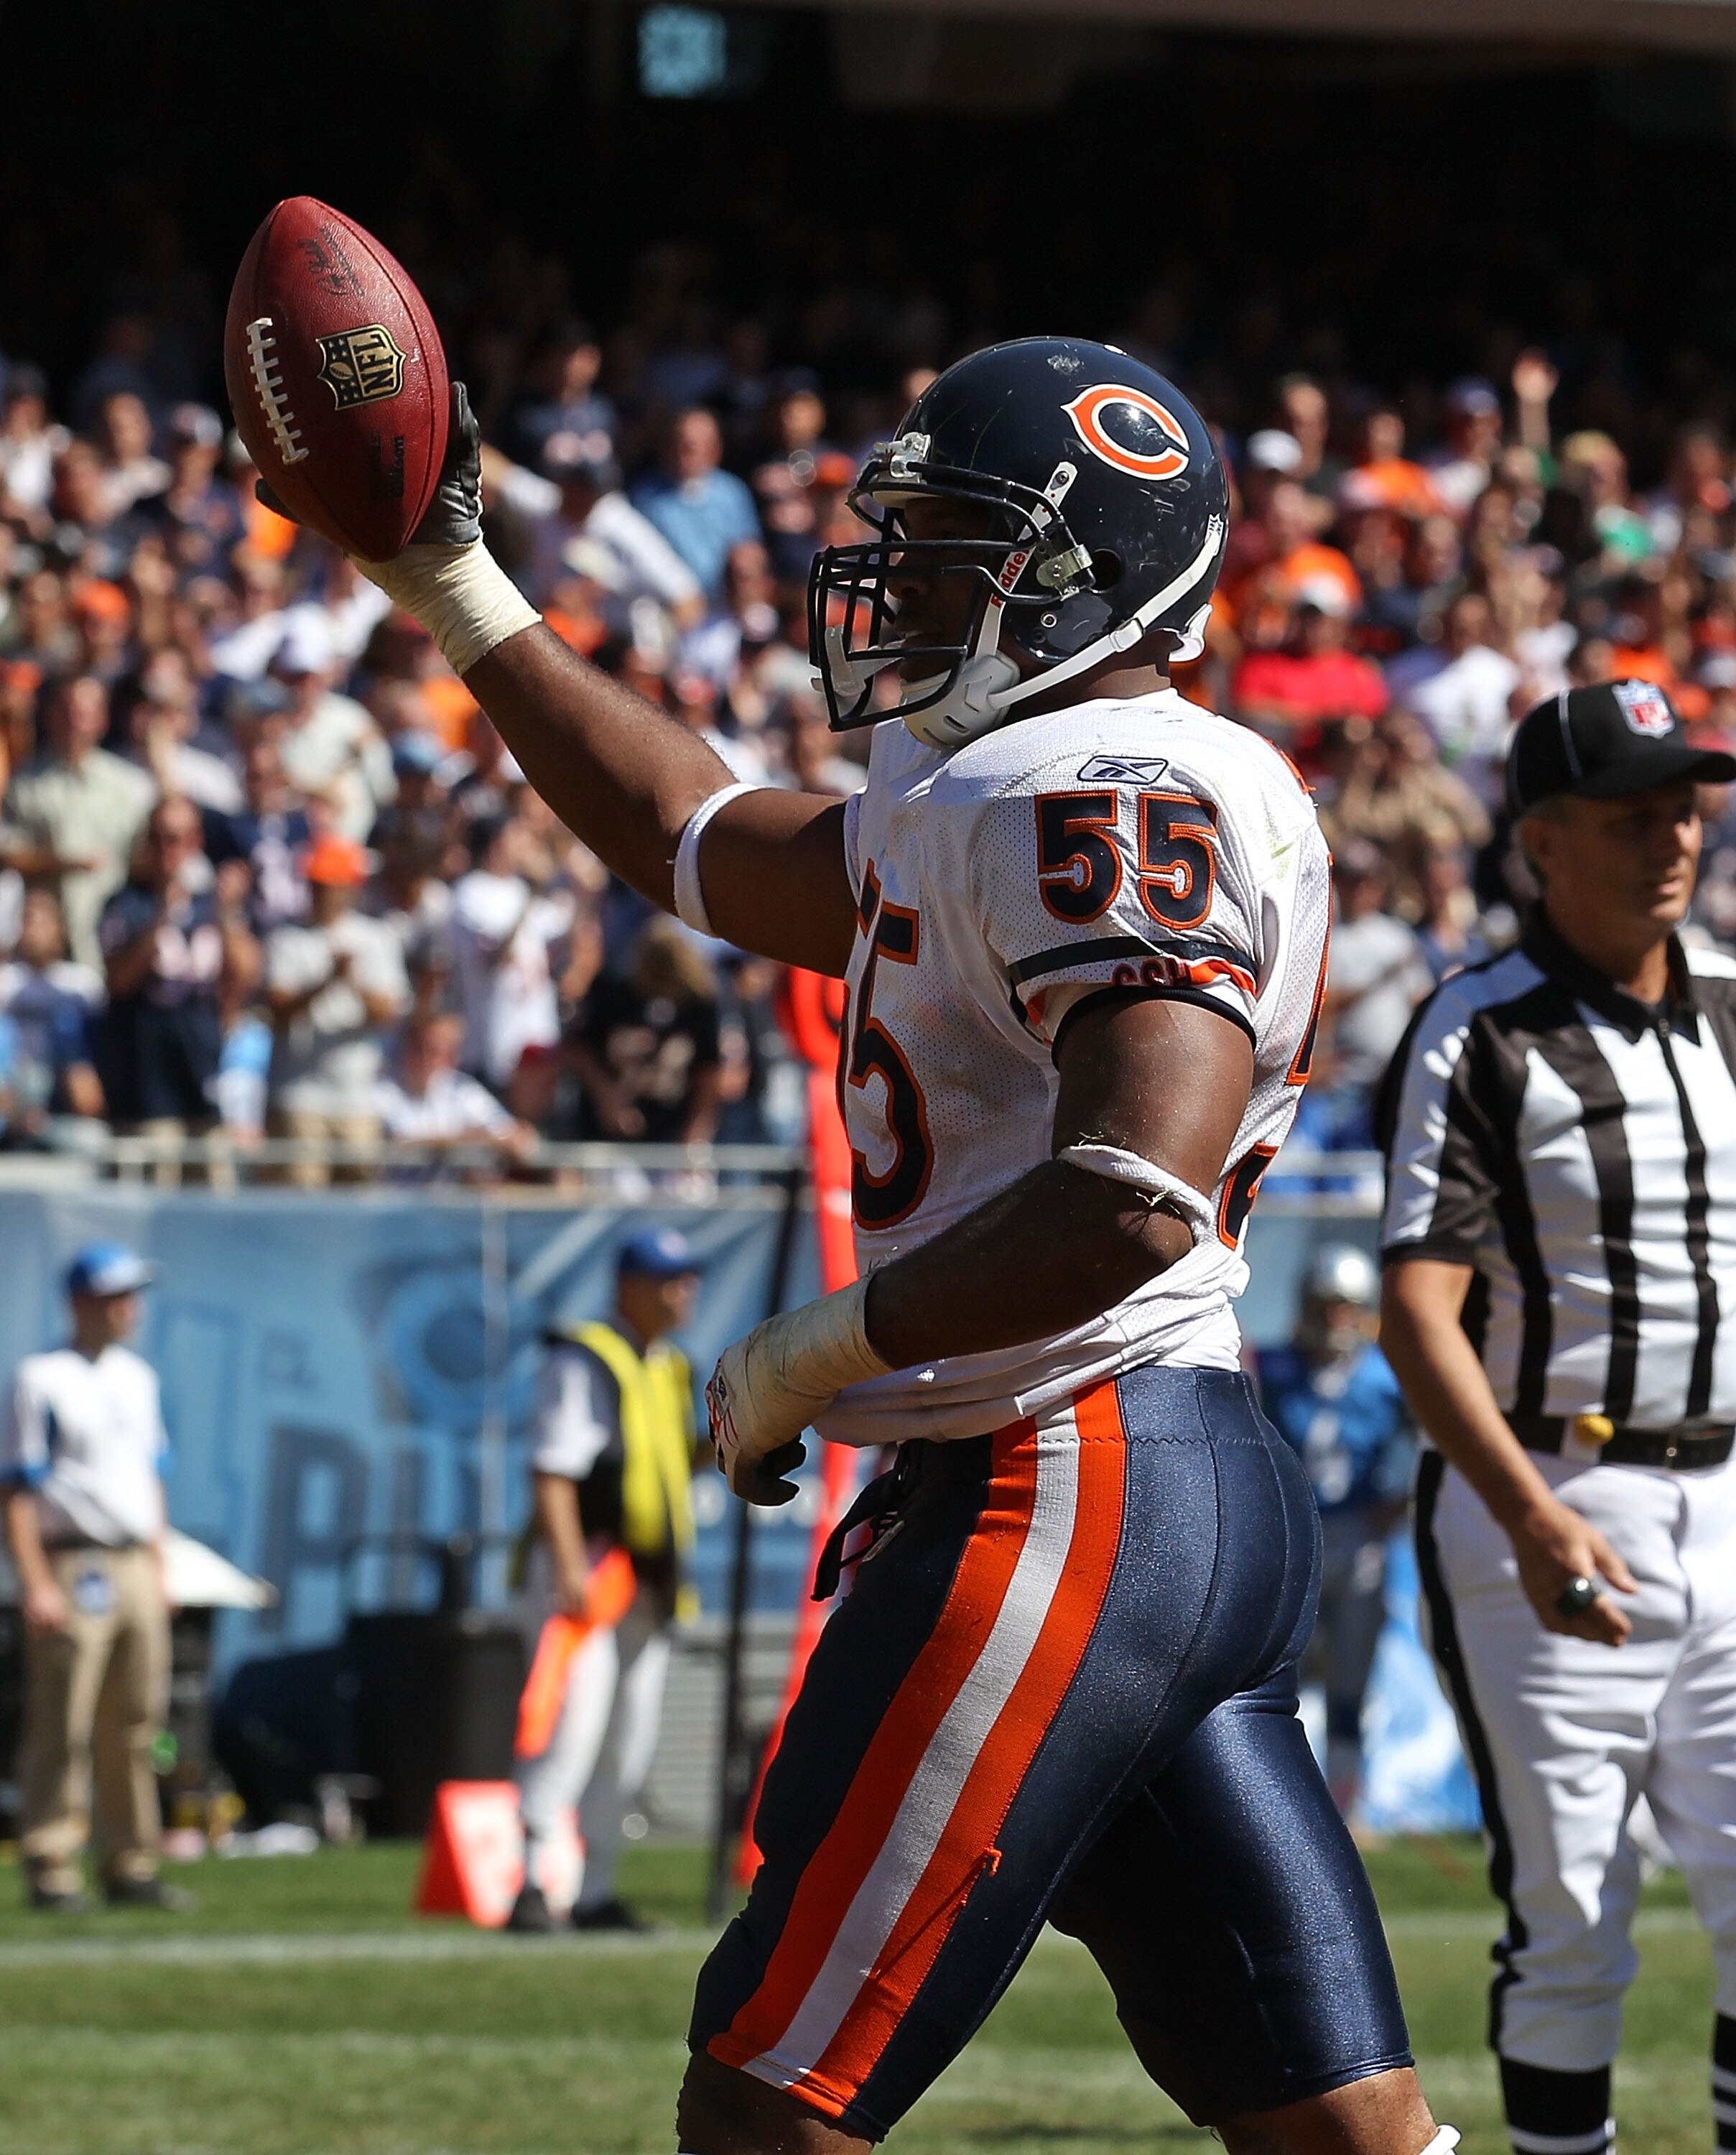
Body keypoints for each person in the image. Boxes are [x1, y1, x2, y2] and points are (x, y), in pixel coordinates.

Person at [284, 344, 1453, 2152]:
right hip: (1144, 1477)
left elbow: (1134, 1182)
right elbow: (695, 837)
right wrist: (456, 585)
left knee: (770, 2103)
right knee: (1341, 2133)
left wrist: (802, 1356)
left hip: (1064, 1476)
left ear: (1091, 573)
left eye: (949, 546)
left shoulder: (1109, 776)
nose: (895, 586)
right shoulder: (988, 784)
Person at [1379, 679, 1736, 2155]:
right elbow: (1415, 1307)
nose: (1668, 837)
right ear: (1539, 841)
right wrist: (1526, 1515)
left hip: (1725, 1495)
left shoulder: (1728, 999)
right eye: (1625, 813)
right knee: (1570, 1916)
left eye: (1680, 807)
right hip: (1548, 1492)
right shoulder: (1475, 1032)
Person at [509, 1227, 704, 1934]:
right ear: (627, 1285)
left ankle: (594, 1888)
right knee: (567, 1725)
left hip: (648, 1576)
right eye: (666, 1278)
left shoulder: (670, 1366)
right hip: (590, 1566)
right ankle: (533, 1882)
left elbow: (675, 1462)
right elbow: (553, 1470)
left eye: (688, 1277)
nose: (681, 1291)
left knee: (628, 1738)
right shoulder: (585, 1357)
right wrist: (566, 1568)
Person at [0, 1242, 182, 1911]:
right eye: (115, 1296)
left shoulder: (138, 1378)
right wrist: (35, 1579)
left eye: (132, 1295)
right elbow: (17, 1488)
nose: (129, 1309)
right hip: (73, 1560)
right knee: (64, 1718)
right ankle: (52, 1861)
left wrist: (161, 1569)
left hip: (134, 1560)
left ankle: (131, 1860)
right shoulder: (41, 1377)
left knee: (137, 1720)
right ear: (80, 1302)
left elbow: (152, 1479)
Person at [1255, 1244, 1414, 1812]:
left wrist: (1398, 1501)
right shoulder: (1273, 1369)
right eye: (1325, 1307)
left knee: (1350, 1679)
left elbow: (1416, 1450)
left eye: (1345, 1307)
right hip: (1294, 1536)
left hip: (1360, 1538)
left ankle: (1343, 1805)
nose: (1334, 1320)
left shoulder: (1385, 1375)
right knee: (1281, 1678)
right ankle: (1282, 1803)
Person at [97, 796, 259, 1158]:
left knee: (213, 1183)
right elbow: (120, 980)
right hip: (146, 1078)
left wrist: (227, 914)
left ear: (196, 842)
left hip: (202, 1068)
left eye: (179, 838)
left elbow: (246, 974)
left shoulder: (210, 906)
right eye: (160, 837)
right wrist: (163, 914)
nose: (169, 849)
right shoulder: (125, 905)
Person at [262, 832, 409, 1183]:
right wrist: (327, 982)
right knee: (299, 1208)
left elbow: (388, 1011)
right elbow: (278, 1011)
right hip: (299, 1097)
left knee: (359, 1209)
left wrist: (351, 983)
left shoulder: (377, 937)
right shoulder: (286, 939)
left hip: (358, 1099)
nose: (322, 893)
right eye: (317, 884)